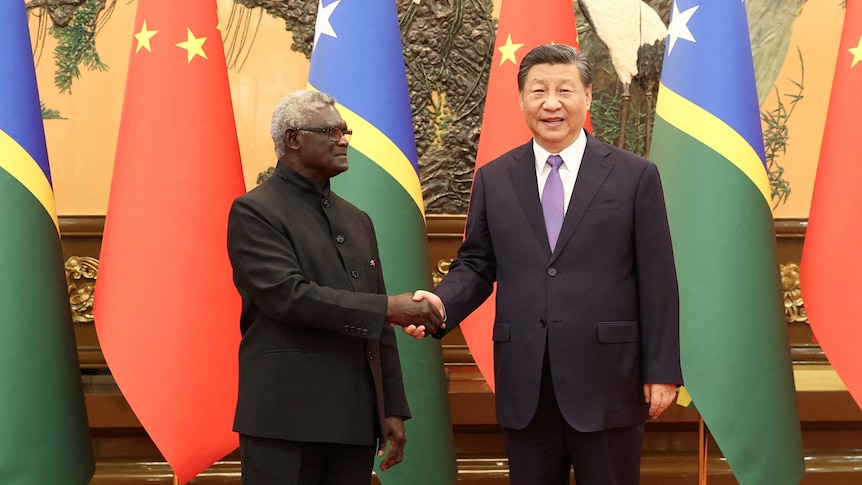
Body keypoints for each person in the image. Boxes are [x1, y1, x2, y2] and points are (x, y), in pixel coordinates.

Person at [413, 44, 682, 485]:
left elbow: (658, 279)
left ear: (588, 97)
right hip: (527, 384)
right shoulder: (495, 178)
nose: (551, 103)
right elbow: (477, 264)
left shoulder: (635, 176)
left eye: (564, 90)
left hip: (609, 380)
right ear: (521, 101)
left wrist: (662, 370)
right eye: (538, 91)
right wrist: (440, 304)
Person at [226, 89, 444, 485]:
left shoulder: (357, 219)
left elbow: (379, 323)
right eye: (330, 131)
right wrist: (388, 308)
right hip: (285, 421)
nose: (343, 140)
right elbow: (287, 297)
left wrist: (390, 408)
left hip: (353, 419)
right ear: (293, 139)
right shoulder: (254, 211)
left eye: (345, 131)